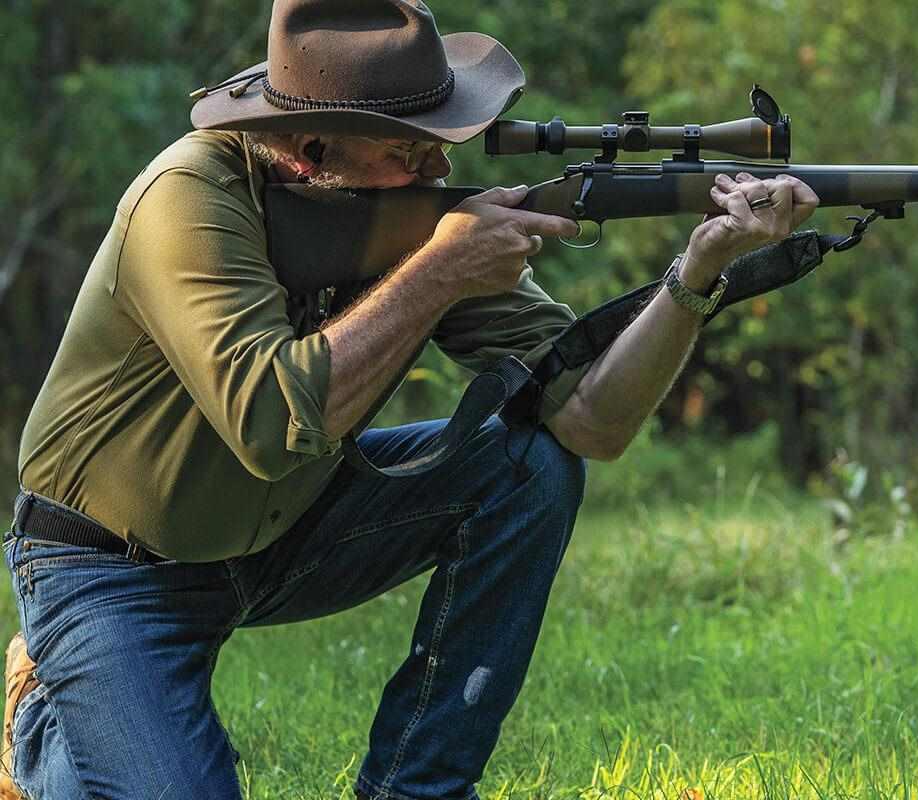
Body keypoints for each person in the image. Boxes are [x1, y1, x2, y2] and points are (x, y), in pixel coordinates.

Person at [1, 1, 817, 798]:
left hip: (288, 528)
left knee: (527, 466)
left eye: (443, 144)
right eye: (410, 150)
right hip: (111, 565)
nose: (440, 172)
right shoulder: (185, 198)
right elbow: (271, 423)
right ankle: (43, 715)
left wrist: (698, 273)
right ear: (309, 150)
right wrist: (439, 271)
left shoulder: (414, 223)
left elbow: (590, 423)